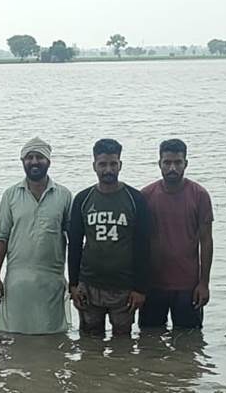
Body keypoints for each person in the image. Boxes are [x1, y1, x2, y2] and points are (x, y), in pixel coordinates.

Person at [67, 138, 150, 337]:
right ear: (94, 165)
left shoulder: (135, 199)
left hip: (124, 287)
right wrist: (73, 285)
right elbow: (75, 244)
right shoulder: (83, 199)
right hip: (89, 286)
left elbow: (143, 246)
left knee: (123, 344)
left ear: (120, 164)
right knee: (89, 343)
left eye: (113, 164)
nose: (108, 170)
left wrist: (140, 289)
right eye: (103, 164)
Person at [0, 137, 74, 335]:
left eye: (39, 157)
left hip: (51, 281)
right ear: (22, 161)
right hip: (17, 282)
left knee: (52, 338)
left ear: (48, 161)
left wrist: (75, 281)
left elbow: (73, 240)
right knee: (13, 336)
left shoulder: (63, 195)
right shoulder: (10, 195)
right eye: (29, 157)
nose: (34, 162)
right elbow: (1, 238)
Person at [139, 138, 214, 330]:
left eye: (177, 162)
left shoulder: (199, 195)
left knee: (189, 342)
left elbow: (206, 241)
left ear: (185, 163)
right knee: (150, 339)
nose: (172, 168)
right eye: (167, 162)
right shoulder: (146, 196)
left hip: (188, 285)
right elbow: (137, 242)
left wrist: (204, 283)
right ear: (160, 163)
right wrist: (137, 286)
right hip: (153, 285)